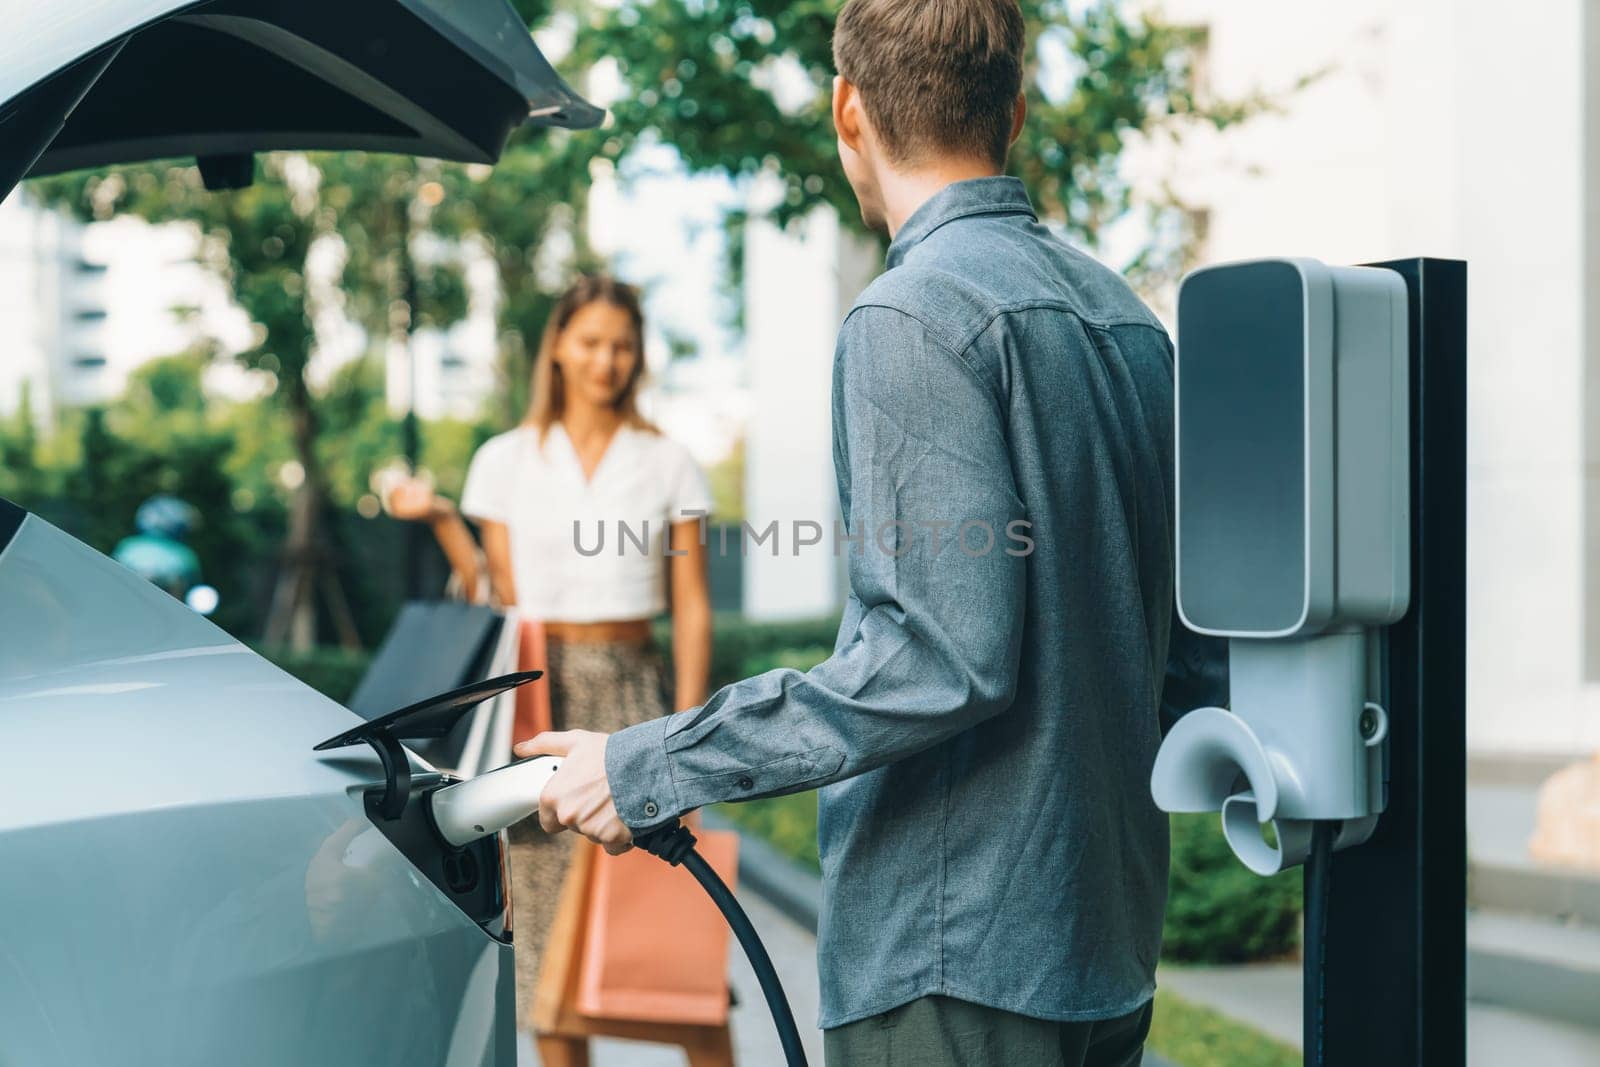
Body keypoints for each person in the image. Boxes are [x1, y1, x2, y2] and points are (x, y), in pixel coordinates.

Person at [524, 1, 1228, 1065]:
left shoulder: (908, 317)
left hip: (954, 961)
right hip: (1101, 950)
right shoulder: (1128, 322)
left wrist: (654, 759)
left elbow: (938, 658)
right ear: (1016, 110)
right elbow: (1186, 655)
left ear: (847, 110)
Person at [387, 274, 716, 1035]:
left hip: (636, 692)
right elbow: (489, 591)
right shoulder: (505, 458)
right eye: (592, 342)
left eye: (623, 346)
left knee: (668, 947)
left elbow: (692, 604)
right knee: (546, 971)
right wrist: (440, 516)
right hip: (534, 703)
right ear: (559, 348)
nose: (607, 360)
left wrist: (691, 735)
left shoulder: (668, 459)